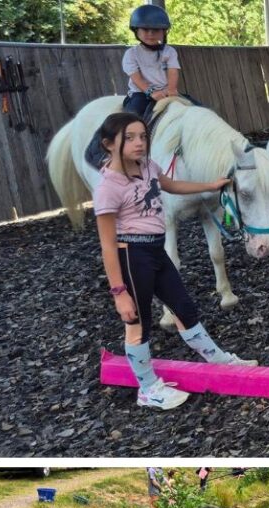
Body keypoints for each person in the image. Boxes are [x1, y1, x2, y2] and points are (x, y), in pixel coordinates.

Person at [92, 112, 257, 410]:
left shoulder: (148, 167)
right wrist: (119, 292)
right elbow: (107, 245)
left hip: (157, 251)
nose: (139, 143)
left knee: (184, 308)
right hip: (132, 256)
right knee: (138, 323)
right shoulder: (108, 187)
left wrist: (210, 185)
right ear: (108, 144)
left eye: (143, 136)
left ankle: (219, 360)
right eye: (129, 138)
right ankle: (147, 389)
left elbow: (172, 186)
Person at [123, 5, 182, 118]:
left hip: (165, 91)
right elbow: (136, 78)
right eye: (145, 29)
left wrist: (171, 89)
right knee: (132, 117)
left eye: (156, 30)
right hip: (141, 93)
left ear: (164, 31)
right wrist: (151, 92)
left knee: (197, 108)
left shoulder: (169, 51)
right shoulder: (131, 54)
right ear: (136, 30)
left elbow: (173, 71)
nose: (150, 33)